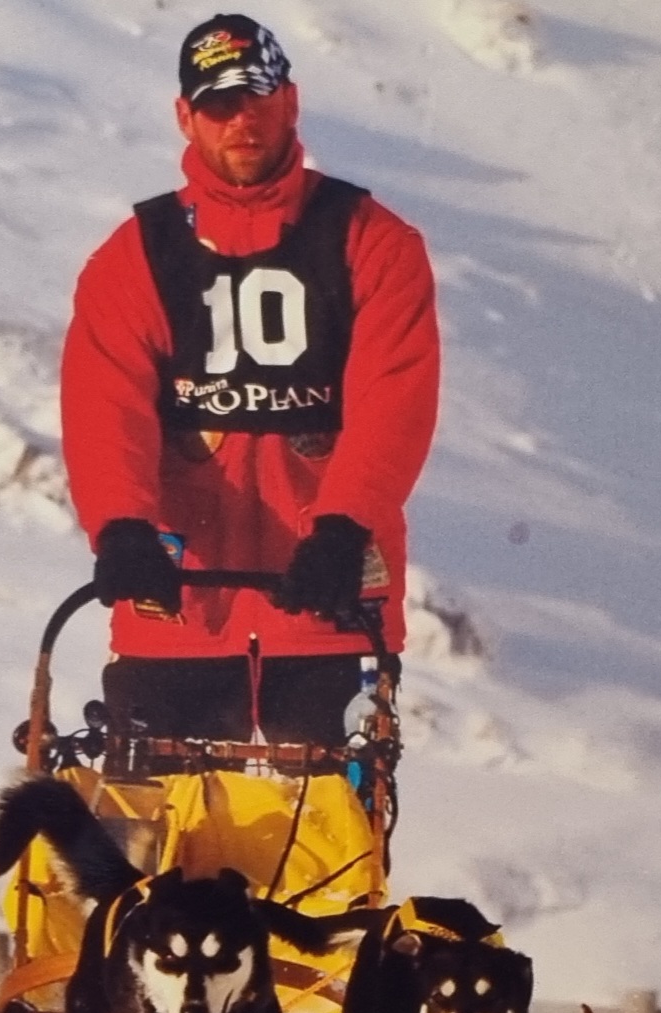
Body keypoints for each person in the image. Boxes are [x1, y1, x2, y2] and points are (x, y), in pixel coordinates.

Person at [61, 13, 440, 748]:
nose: (241, 121)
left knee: (326, 851)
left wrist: (341, 527)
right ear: (184, 116)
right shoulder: (135, 257)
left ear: (290, 102)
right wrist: (122, 527)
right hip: (176, 615)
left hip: (330, 608)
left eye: (256, 97)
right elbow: (104, 408)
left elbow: (394, 401)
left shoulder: (374, 243)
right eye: (217, 104)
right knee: (156, 852)